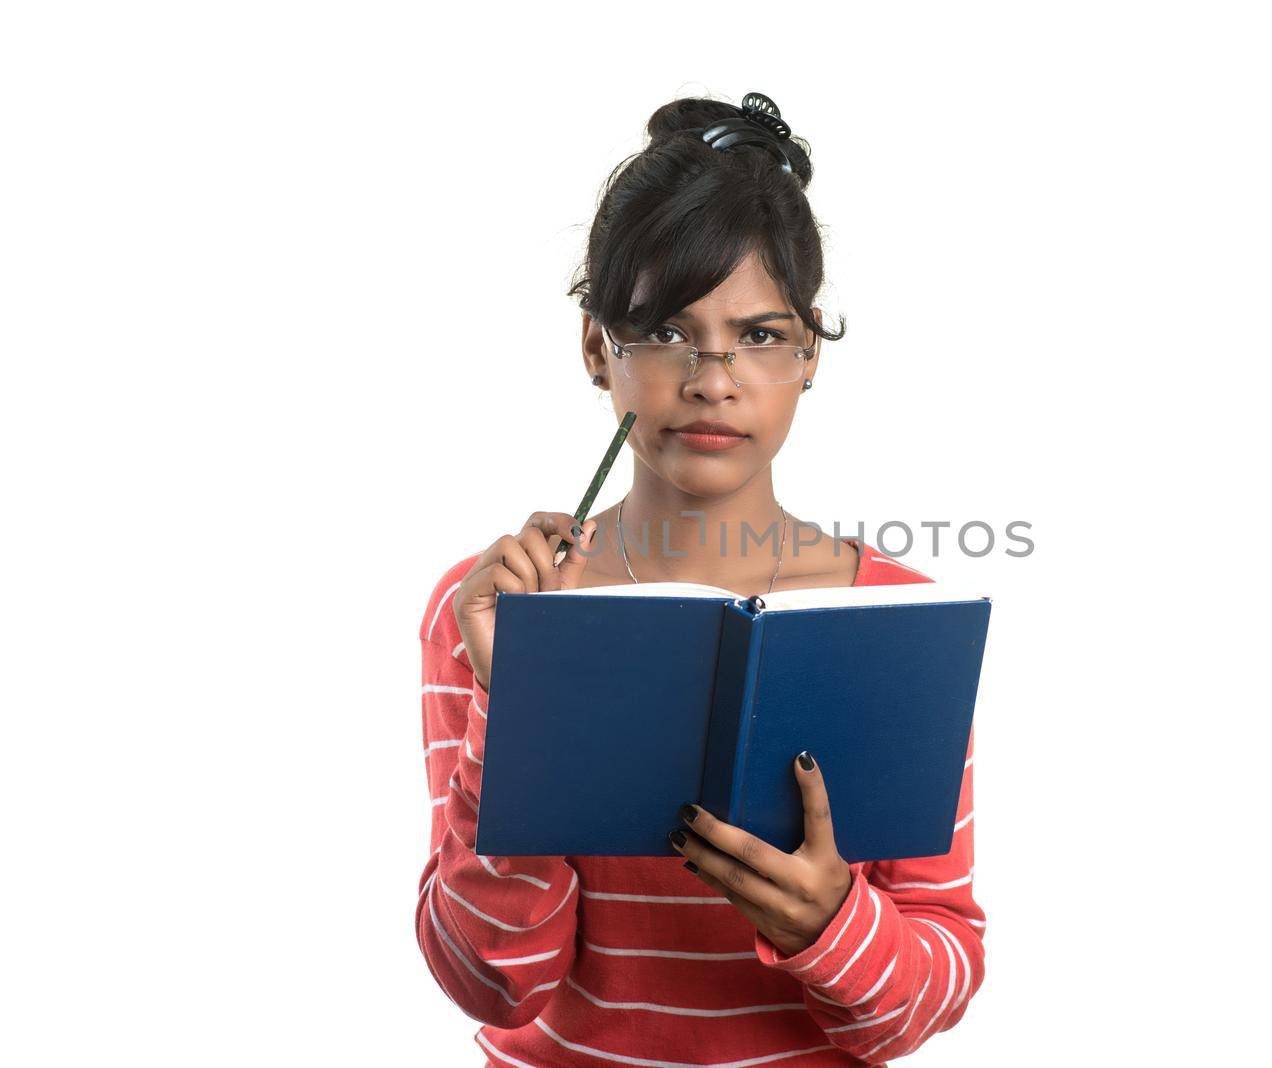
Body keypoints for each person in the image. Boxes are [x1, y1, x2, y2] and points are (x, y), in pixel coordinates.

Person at [415, 92, 985, 1067]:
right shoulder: (497, 607)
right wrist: (521, 716)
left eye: (757, 335)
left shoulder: (895, 615)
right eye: (667, 331)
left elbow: (926, 995)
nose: (713, 377)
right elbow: (494, 981)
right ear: (599, 348)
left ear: (808, 351)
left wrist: (831, 923)